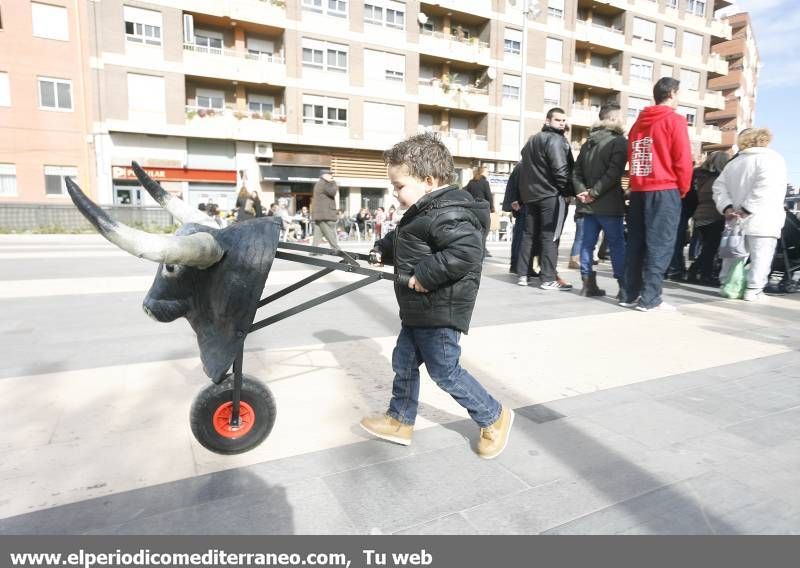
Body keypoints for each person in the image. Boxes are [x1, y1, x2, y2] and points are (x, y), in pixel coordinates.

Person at [361, 132, 513, 460]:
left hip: (440, 309)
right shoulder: (423, 210)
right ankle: (400, 420)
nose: (394, 192)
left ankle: (494, 416)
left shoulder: (449, 211)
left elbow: (467, 252)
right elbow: (403, 238)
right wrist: (381, 250)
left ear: (428, 180)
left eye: (399, 186)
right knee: (403, 361)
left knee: (445, 371)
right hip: (418, 309)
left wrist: (425, 274)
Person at [620, 77, 693, 312]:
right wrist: (682, 188)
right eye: (679, 93)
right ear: (671, 93)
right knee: (660, 245)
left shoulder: (638, 123)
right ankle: (651, 299)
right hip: (664, 188)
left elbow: (634, 157)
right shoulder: (674, 120)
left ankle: (629, 293)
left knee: (636, 244)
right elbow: (682, 159)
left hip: (640, 190)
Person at [712, 128, 787, 302]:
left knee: (732, 253)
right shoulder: (772, 160)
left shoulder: (733, 163)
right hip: (763, 217)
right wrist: (747, 209)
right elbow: (766, 187)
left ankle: (727, 286)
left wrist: (728, 208)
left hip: (734, 219)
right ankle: (753, 290)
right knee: (761, 255)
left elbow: (718, 188)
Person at [572, 102, 628, 298]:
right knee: (617, 245)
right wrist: (594, 193)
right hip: (609, 204)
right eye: (621, 116)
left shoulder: (588, 142)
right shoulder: (619, 141)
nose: (623, 120)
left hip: (588, 206)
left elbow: (576, 173)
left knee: (587, 244)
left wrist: (583, 193)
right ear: (613, 119)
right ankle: (623, 287)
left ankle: (587, 285)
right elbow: (614, 173)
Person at [516, 107, 575, 290]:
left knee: (528, 235)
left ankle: (523, 275)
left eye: (564, 120)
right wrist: (567, 192)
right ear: (548, 120)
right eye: (558, 120)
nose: (562, 123)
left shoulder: (531, 141)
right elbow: (560, 170)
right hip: (550, 195)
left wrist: (523, 194)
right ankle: (548, 278)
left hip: (531, 196)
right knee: (551, 236)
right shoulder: (556, 140)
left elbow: (523, 169)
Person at [686, 151, 730, 286]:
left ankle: (696, 272)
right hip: (713, 215)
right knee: (711, 248)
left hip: (700, 215)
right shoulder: (719, 179)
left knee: (707, 247)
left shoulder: (702, 177)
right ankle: (703, 275)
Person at [464, 165, 495, 258]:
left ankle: (474, 251)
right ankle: (482, 252)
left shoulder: (470, 183)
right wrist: (492, 208)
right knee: (484, 233)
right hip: (483, 210)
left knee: (474, 232)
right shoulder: (485, 182)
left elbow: (466, 193)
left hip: (472, 210)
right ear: (481, 173)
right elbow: (489, 196)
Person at [311, 170, 340, 250]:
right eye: (329, 174)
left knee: (318, 233)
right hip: (325, 214)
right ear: (323, 175)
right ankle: (336, 248)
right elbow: (333, 192)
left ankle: (313, 250)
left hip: (321, 213)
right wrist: (333, 183)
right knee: (329, 231)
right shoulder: (324, 183)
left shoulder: (320, 183)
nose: (331, 176)